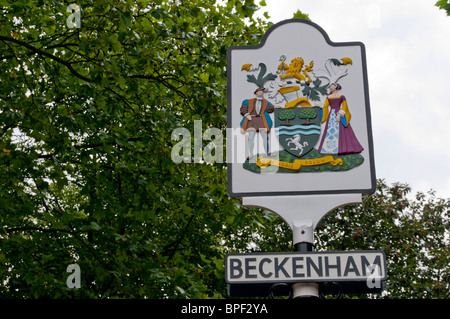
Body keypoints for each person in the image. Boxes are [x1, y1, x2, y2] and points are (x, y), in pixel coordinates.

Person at [318, 83, 364, 155]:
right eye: (330, 87)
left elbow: (344, 106)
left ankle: (343, 148)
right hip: (331, 116)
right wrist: (319, 107)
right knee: (330, 131)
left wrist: (339, 114)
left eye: (332, 86)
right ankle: (329, 149)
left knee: (343, 132)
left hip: (338, 113)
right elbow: (325, 106)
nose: (331, 88)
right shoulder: (328, 97)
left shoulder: (341, 96)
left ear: (336, 87)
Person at [240, 87, 274, 159]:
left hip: (261, 120)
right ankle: (251, 154)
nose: (260, 93)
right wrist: (246, 115)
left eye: (262, 91)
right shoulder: (249, 101)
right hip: (252, 120)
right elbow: (243, 109)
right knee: (251, 137)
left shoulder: (265, 102)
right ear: (256, 92)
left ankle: (267, 153)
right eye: (259, 91)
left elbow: (270, 108)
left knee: (265, 137)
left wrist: (276, 107)